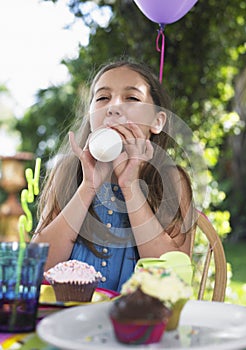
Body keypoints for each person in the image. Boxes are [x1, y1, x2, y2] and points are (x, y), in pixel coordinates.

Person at [32, 58, 196, 292]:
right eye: (102, 98)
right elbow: (38, 269)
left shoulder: (171, 180)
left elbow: (173, 281)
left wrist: (130, 186)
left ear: (157, 121)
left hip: (139, 323)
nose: (114, 106)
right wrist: (88, 186)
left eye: (132, 98)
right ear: (90, 116)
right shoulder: (67, 173)